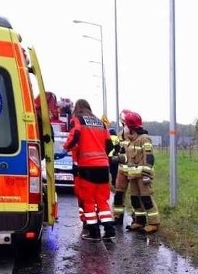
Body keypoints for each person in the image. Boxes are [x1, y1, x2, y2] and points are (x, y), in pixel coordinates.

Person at [63, 99, 116, 241]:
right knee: (102, 200)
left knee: (88, 200)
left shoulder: (77, 120)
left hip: (87, 166)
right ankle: (109, 230)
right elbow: (110, 145)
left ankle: (94, 233)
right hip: (103, 166)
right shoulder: (100, 122)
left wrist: (65, 148)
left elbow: (75, 135)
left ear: (77, 108)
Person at [112, 109, 160, 233]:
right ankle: (139, 221)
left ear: (131, 126)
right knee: (134, 199)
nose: (124, 128)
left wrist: (147, 174)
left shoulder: (144, 139)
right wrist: (118, 158)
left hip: (142, 176)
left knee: (146, 199)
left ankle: (154, 223)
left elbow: (149, 157)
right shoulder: (131, 140)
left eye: (126, 125)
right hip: (132, 176)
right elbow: (129, 158)